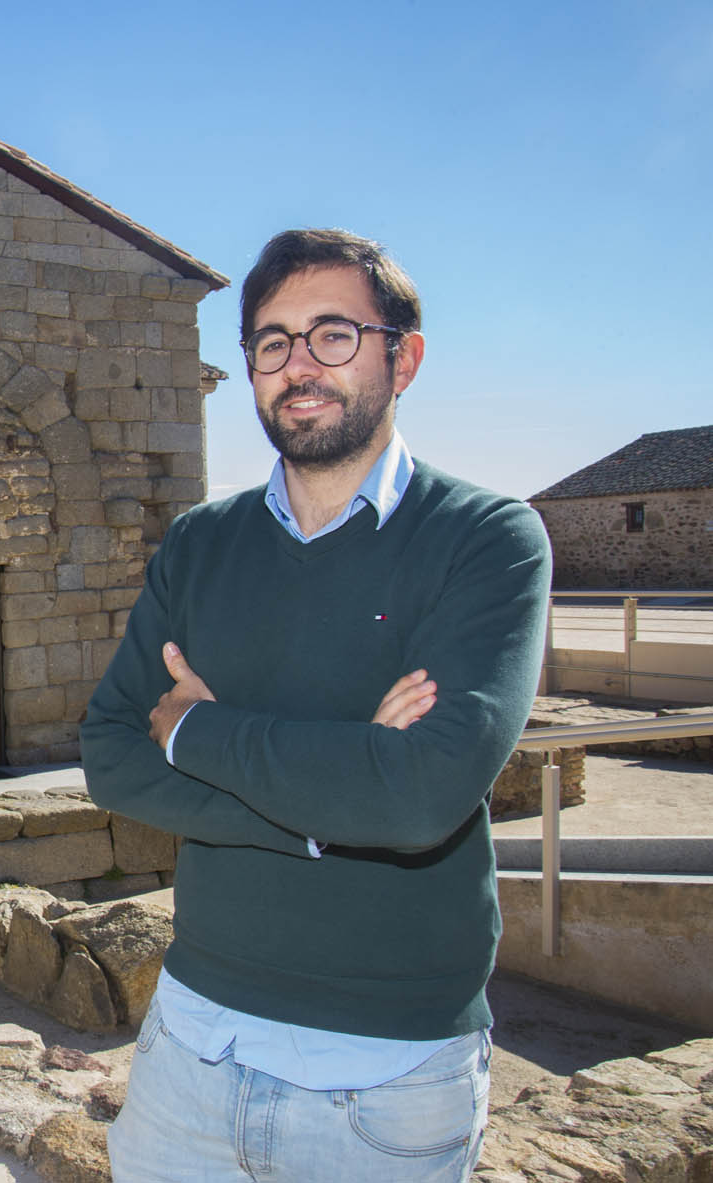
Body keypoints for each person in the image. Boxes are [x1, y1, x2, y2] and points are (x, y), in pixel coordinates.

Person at [80, 228, 551, 1181]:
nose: (298, 364)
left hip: (386, 1073)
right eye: (271, 340)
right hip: (191, 1042)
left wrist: (199, 732)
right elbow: (109, 754)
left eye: (333, 334)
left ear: (402, 356)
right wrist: (328, 801)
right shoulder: (200, 545)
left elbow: (416, 802)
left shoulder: (488, 540)